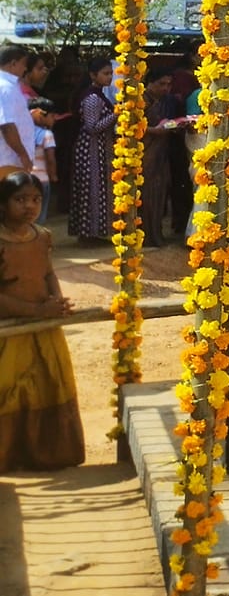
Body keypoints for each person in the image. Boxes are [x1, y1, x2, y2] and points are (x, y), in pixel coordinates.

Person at [0, 171, 86, 470]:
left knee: (48, 383)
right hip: (9, 331)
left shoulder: (43, 236)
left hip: (44, 329)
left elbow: (48, 273)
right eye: (20, 199)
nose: (29, 206)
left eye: (35, 199)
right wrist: (36, 311)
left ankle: (48, 453)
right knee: (9, 389)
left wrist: (56, 303)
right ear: (4, 203)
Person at [141, 66, 192, 246]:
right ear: (149, 83)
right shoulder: (140, 100)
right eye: (161, 84)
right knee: (145, 194)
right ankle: (144, 236)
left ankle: (156, 234)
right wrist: (155, 130)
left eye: (169, 84)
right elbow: (129, 127)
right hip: (144, 154)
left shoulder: (166, 101)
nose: (166, 88)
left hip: (162, 154)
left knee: (159, 193)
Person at [68, 58, 116, 242]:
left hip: (97, 148)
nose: (109, 77)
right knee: (91, 188)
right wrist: (115, 115)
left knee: (97, 188)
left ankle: (94, 232)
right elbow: (92, 127)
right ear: (93, 75)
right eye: (105, 73)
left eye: (111, 73)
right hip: (90, 149)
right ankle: (88, 233)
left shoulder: (99, 95)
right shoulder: (92, 98)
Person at [0, 46, 37, 176]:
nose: (25, 68)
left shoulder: (10, 86)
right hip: (8, 160)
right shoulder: (5, 87)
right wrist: (23, 154)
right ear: (13, 64)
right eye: (24, 64)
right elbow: (7, 125)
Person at [26, 99, 57, 223]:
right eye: (52, 116)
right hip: (42, 179)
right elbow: (50, 159)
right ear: (41, 115)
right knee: (40, 214)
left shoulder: (22, 133)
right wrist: (53, 175)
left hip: (25, 177)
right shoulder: (47, 134)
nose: (54, 119)